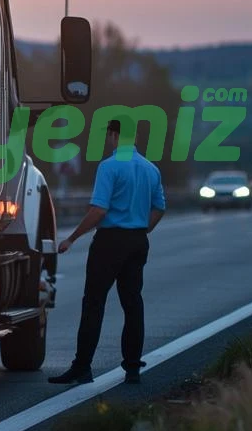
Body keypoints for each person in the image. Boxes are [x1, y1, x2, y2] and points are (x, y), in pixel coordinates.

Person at [48, 119, 166, 385]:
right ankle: (133, 368)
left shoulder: (109, 166)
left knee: (94, 304)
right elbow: (160, 206)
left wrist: (72, 238)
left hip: (110, 241)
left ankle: (82, 367)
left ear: (113, 135)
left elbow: (99, 210)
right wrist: (143, 230)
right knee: (132, 304)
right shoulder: (150, 168)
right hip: (137, 241)